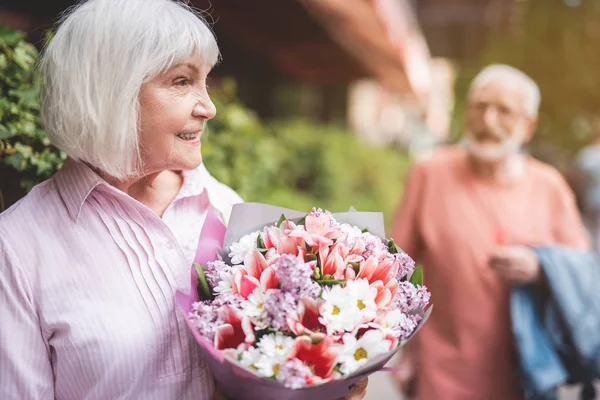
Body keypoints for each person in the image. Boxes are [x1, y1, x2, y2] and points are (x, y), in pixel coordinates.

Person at [0, 1, 367, 399]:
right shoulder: (18, 246)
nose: (208, 107)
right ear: (110, 92)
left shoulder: (226, 207)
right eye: (181, 81)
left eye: (205, 80)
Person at [391, 64, 589, 400]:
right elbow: (392, 269)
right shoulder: (429, 173)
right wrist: (399, 348)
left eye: (504, 111)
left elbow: (583, 270)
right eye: (480, 106)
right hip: (441, 372)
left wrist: (541, 267)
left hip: (526, 373)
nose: (488, 120)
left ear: (528, 126)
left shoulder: (549, 186)